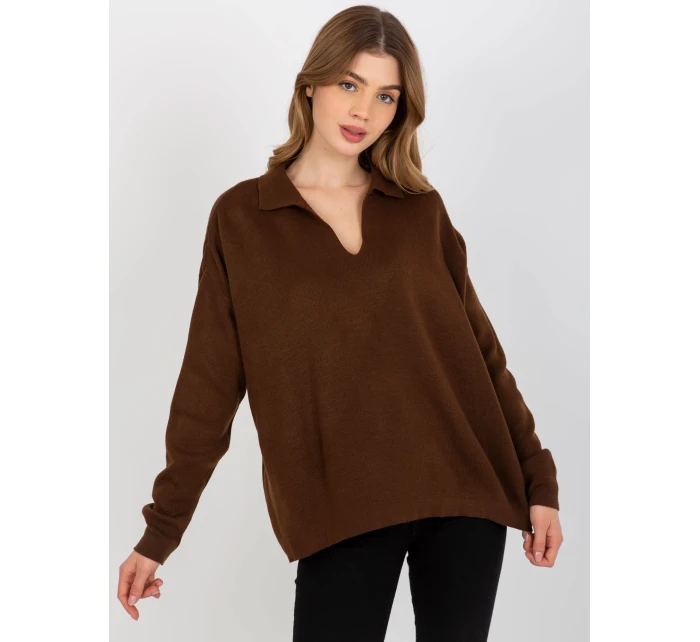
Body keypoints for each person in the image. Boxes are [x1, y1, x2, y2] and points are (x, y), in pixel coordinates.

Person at [117, 5, 564, 639]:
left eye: (386, 95)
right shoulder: (244, 219)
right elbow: (207, 389)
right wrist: (160, 533)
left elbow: (482, 356)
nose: (363, 111)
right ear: (311, 85)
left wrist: (539, 480)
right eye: (349, 84)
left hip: (465, 493)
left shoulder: (419, 210)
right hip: (341, 511)